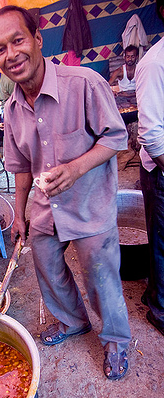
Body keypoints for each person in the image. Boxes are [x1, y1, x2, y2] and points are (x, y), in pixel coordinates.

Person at [0, 5, 132, 380]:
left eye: (17, 40)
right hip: (45, 207)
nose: (11, 54)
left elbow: (117, 137)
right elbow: (19, 170)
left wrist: (77, 167)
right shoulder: (12, 108)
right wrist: (19, 216)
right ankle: (72, 321)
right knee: (46, 264)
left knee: (100, 274)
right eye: (0, 48)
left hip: (89, 204)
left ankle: (115, 338)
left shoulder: (84, 83)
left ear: (37, 39)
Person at [135, 0, 164, 336]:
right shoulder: (154, 64)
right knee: (161, 240)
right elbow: (153, 138)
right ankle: (160, 309)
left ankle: (154, 291)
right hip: (160, 170)